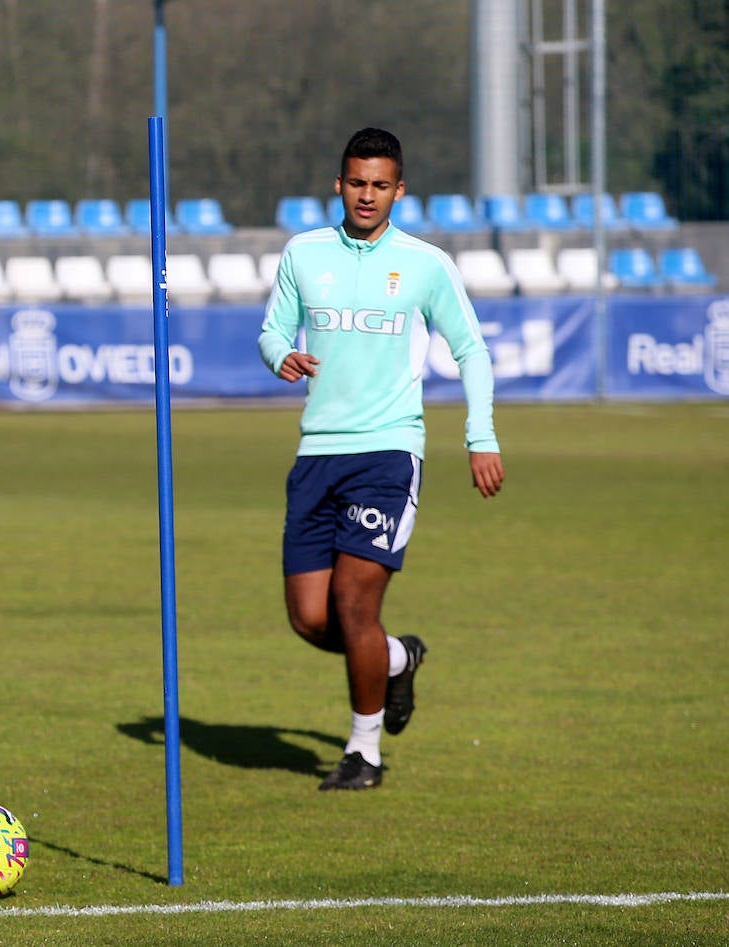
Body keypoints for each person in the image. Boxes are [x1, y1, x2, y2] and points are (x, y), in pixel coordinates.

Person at [257, 127, 505, 791]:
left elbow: (471, 349)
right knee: (311, 618)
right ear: (338, 185)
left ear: (400, 190)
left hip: (389, 453)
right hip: (317, 454)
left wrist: (479, 435)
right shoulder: (303, 254)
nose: (367, 195)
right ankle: (398, 659)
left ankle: (363, 752)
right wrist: (278, 353)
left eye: (380, 184)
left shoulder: (425, 264)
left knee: (354, 603)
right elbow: (273, 328)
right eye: (356, 182)